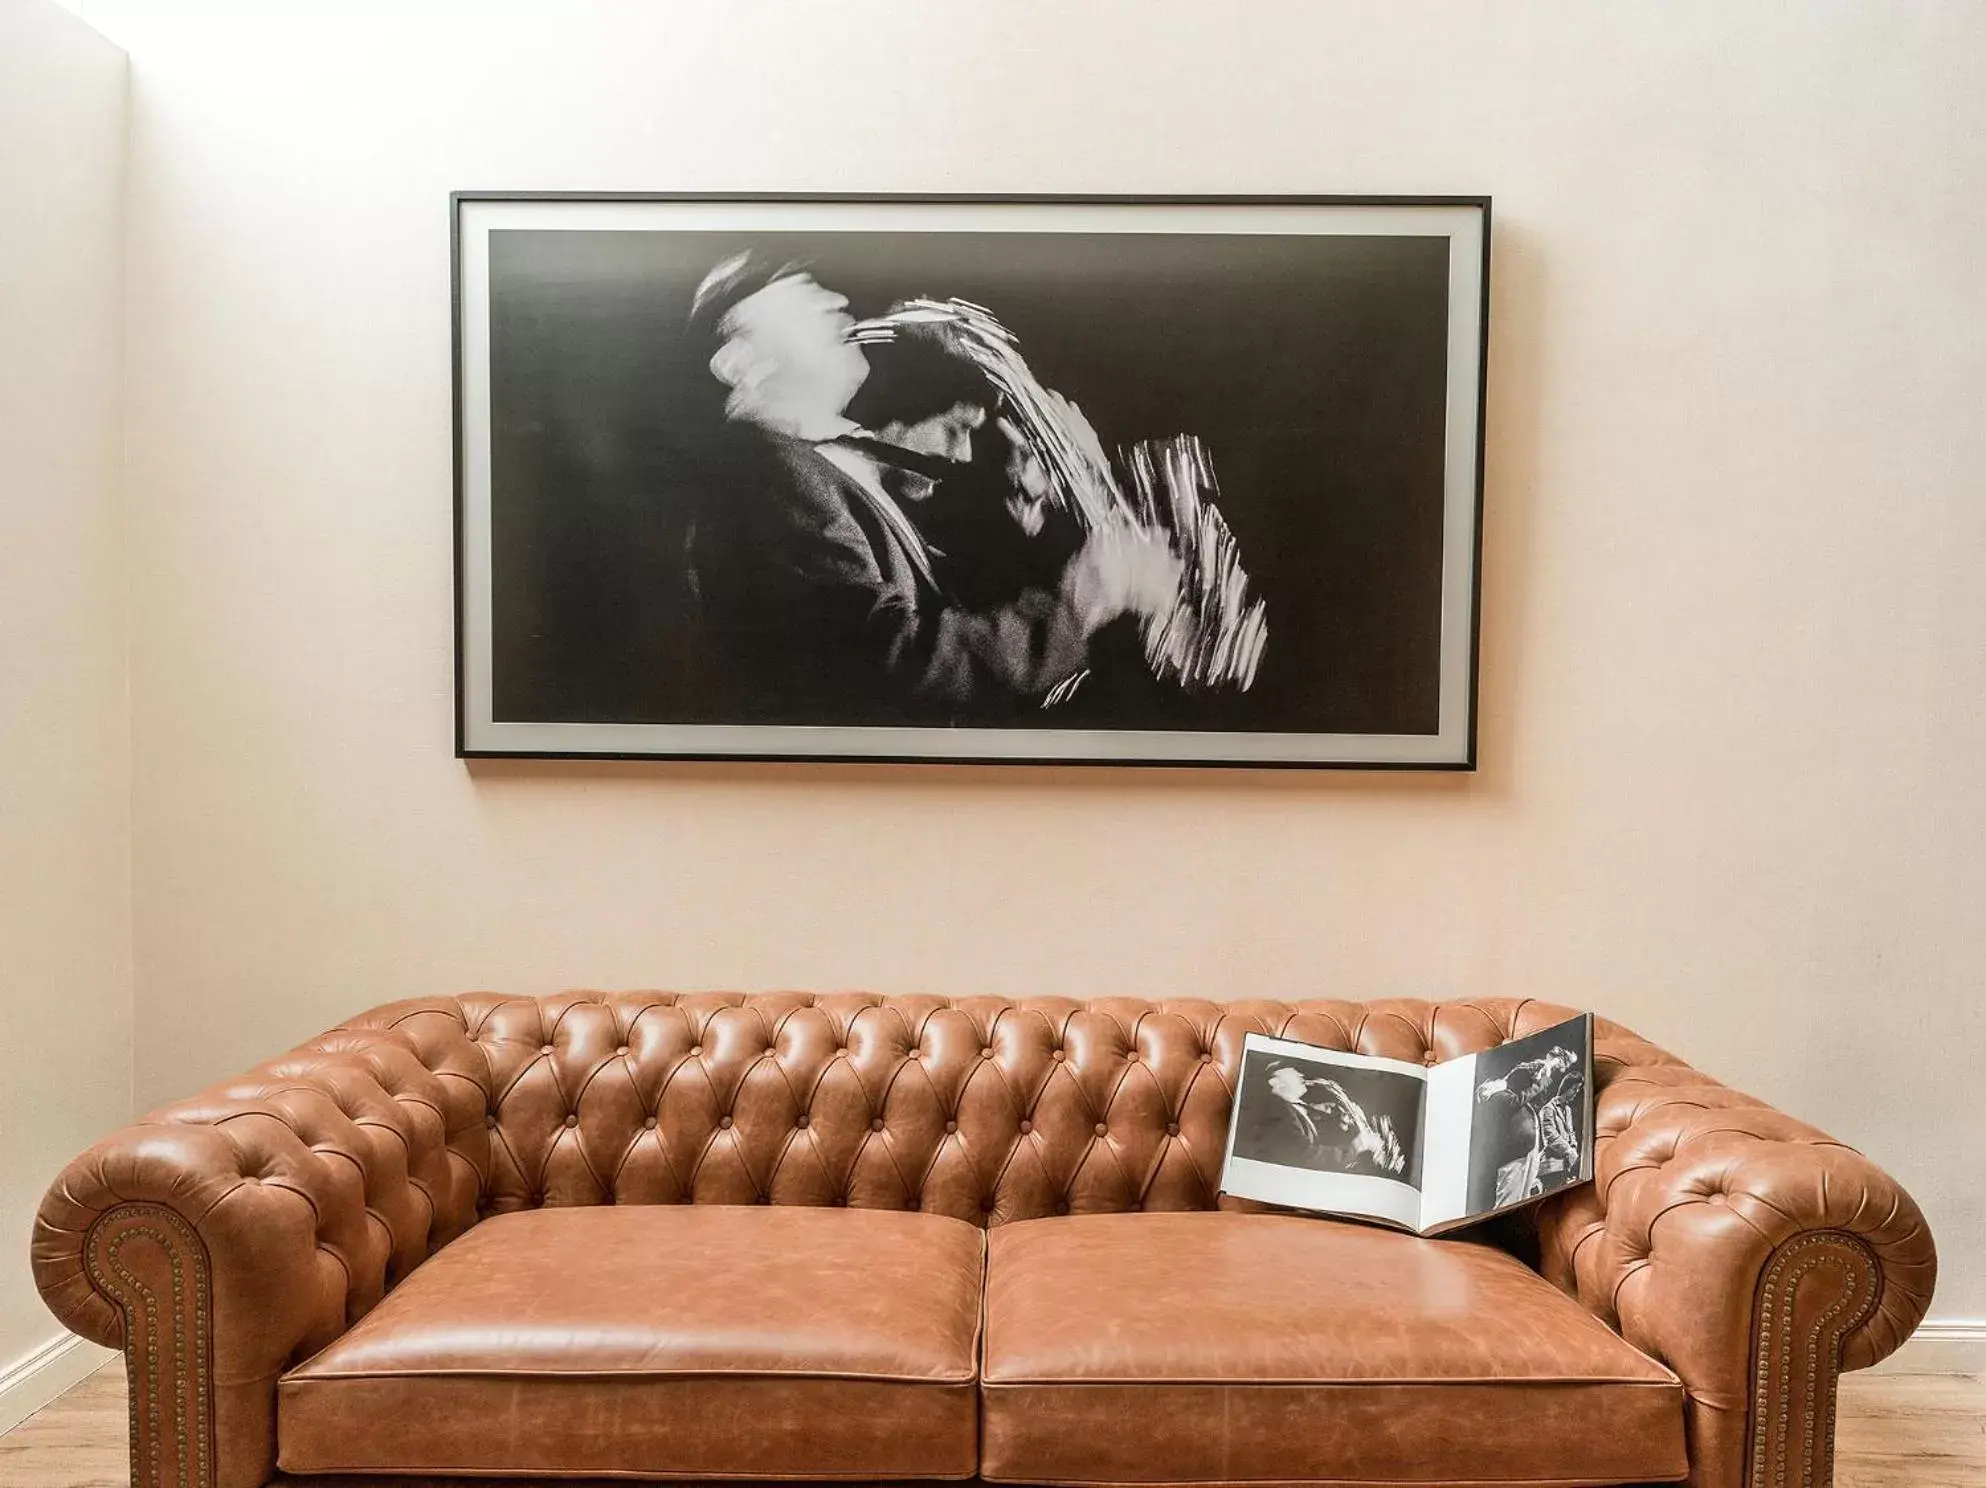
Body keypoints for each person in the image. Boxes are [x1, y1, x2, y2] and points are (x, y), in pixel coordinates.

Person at [680, 256, 1180, 724]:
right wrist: (1081, 603)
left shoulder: (809, 465)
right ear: (741, 362)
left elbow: (923, 608)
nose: (833, 304)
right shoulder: (769, 476)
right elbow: (892, 663)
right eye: (802, 302)